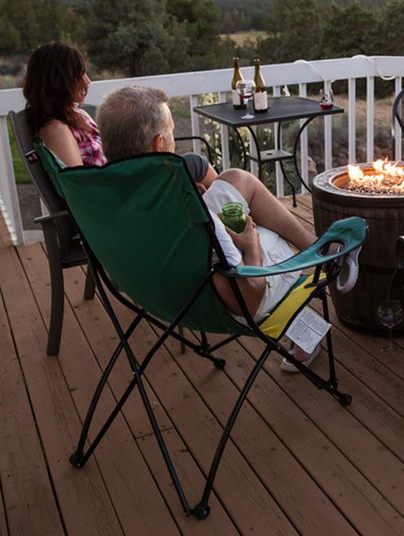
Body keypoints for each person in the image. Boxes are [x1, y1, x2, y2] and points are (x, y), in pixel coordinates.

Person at [96, 85, 319, 370]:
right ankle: (313, 297)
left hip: (154, 290)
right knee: (270, 234)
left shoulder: (104, 197)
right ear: (158, 145)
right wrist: (251, 246)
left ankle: (314, 244)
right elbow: (248, 301)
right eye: (171, 132)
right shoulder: (191, 215)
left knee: (237, 178)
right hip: (220, 301)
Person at [22, 41, 217, 190]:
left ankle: (221, 221)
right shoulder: (57, 130)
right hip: (120, 196)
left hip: (122, 183)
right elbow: (80, 190)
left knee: (193, 170)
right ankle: (235, 222)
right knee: (195, 163)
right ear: (58, 81)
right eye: (79, 74)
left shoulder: (73, 115)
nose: (87, 81)